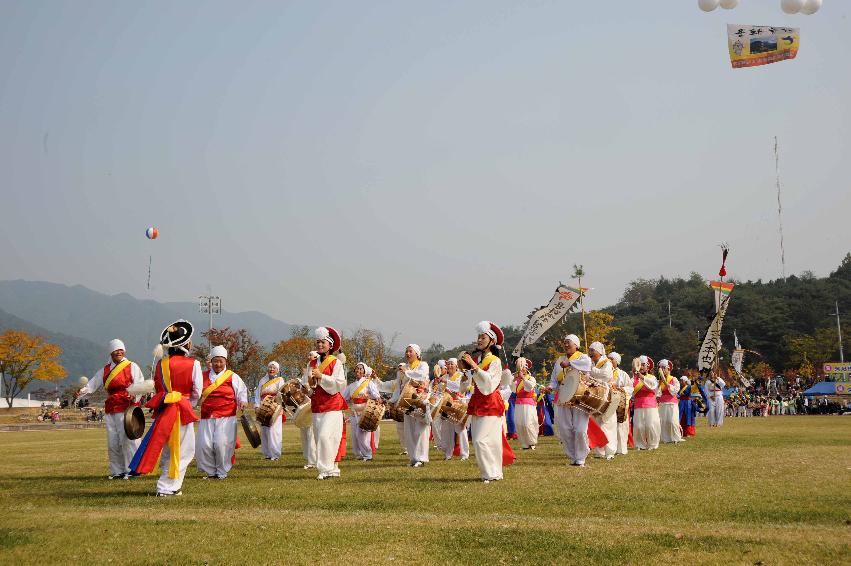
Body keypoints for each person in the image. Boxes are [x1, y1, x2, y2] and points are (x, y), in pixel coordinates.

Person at [130, 320, 202, 497]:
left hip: (164, 409)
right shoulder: (194, 364)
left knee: (167, 448)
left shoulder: (160, 365)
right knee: (184, 450)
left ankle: (168, 484)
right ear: (186, 344)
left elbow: (158, 388)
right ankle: (167, 486)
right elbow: (197, 391)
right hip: (182, 409)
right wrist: (187, 404)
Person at [79, 339, 144, 479]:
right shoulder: (105, 370)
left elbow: (140, 384)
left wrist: (135, 396)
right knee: (113, 441)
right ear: (111, 352)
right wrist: (82, 391)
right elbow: (93, 384)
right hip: (111, 407)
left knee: (128, 439)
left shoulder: (132, 366)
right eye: (116, 350)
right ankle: (118, 471)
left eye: (121, 350)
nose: (119, 352)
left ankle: (134, 470)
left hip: (127, 406)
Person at [462, 321, 506, 482]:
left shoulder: (494, 361)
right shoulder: (480, 360)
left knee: (481, 440)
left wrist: (474, 367)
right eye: (478, 337)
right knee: (488, 440)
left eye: (483, 337)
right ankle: (493, 473)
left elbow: (489, 383)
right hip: (479, 401)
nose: (479, 340)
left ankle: (491, 473)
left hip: (491, 402)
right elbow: (468, 383)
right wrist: (466, 373)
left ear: (492, 341)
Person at [196, 345, 248, 479]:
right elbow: (195, 393)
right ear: (211, 361)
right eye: (215, 361)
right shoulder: (202, 376)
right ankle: (211, 471)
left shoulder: (232, 376)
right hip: (207, 416)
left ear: (225, 361)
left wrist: (242, 401)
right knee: (204, 445)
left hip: (226, 417)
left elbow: (241, 391)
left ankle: (222, 471)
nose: (218, 364)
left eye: (221, 361)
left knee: (221, 444)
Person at [304, 326, 347, 480]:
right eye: (318, 342)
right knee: (320, 437)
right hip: (317, 405)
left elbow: (340, 384)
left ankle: (325, 469)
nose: (320, 345)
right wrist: (306, 388)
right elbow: (307, 383)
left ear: (330, 345)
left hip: (332, 405)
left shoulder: (336, 362)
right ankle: (333, 468)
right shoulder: (312, 363)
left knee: (325, 437)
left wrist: (322, 376)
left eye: (323, 342)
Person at [549, 334, 594, 466]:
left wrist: (570, 363)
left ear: (576, 345)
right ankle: (573, 456)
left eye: (569, 342)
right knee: (564, 429)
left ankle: (581, 457)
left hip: (580, 397)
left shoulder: (582, 357)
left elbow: (587, 365)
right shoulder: (559, 360)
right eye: (565, 342)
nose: (566, 344)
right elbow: (554, 379)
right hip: (563, 397)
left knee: (580, 429)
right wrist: (550, 387)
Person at [397, 344, 430, 467]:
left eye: (410, 351)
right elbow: (399, 385)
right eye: (406, 351)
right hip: (407, 402)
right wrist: (395, 399)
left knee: (420, 430)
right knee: (409, 430)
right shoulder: (404, 368)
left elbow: (421, 375)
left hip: (420, 400)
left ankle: (421, 458)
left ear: (417, 353)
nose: (408, 353)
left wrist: (407, 372)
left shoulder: (423, 365)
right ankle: (413, 458)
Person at [342, 362, 381, 461]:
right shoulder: (351, 386)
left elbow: (376, 395)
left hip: (365, 412)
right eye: (357, 368)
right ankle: (358, 454)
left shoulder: (368, 383)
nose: (358, 370)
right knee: (355, 435)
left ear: (364, 372)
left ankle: (368, 455)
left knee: (362, 434)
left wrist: (369, 397)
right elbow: (343, 397)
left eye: (361, 369)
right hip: (354, 412)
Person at [437, 357, 470, 460]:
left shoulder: (461, 376)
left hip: (458, 405)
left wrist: (446, 383)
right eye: (449, 364)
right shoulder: (444, 377)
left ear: (456, 366)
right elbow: (439, 391)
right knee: (446, 429)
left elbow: (458, 387)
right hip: (446, 406)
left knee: (460, 429)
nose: (450, 366)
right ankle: (448, 454)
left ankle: (464, 454)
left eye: (452, 364)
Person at [588, 342, 616, 460]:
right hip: (596, 394)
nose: (590, 353)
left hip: (607, 395)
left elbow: (605, 374)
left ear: (599, 351)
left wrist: (591, 369)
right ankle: (600, 451)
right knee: (597, 422)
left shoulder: (607, 362)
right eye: (590, 351)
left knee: (607, 423)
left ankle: (610, 451)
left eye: (592, 351)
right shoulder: (593, 363)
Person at [255, 361, 286, 460]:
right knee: (264, 431)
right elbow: (257, 394)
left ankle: (275, 454)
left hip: (274, 407)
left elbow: (282, 394)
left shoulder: (280, 380)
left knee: (274, 431)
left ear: (277, 370)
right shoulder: (262, 380)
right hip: (264, 407)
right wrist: (256, 406)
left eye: (274, 368)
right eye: (270, 367)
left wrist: (275, 402)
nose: (271, 369)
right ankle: (267, 454)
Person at [632, 356, 660, 451]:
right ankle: (640, 444)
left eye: (643, 365)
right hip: (638, 405)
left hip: (650, 404)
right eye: (640, 365)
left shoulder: (652, 377)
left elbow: (653, 386)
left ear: (648, 367)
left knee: (650, 425)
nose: (642, 367)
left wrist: (643, 377)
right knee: (639, 425)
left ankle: (653, 444)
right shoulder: (634, 379)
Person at [607, 352, 633, 455]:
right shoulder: (605, 372)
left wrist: (620, 389)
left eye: (611, 359)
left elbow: (630, 388)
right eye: (608, 359)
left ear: (617, 362)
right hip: (608, 402)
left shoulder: (623, 374)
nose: (609, 361)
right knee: (609, 425)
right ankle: (609, 449)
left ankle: (621, 449)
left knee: (620, 426)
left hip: (620, 402)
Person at [512, 357, 538, 450]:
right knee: (519, 423)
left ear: (527, 368)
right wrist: (514, 379)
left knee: (528, 423)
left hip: (529, 403)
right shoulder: (516, 379)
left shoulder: (531, 378)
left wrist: (523, 378)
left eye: (523, 367)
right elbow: (512, 389)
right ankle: (524, 444)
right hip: (519, 402)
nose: (522, 369)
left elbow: (530, 387)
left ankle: (532, 442)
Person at [656, 360, 682, 444]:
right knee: (663, 421)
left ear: (668, 368)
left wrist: (667, 384)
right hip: (663, 403)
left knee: (673, 421)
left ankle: (676, 438)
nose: (663, 370)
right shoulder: (659, 381)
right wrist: (660, 383)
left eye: (664, 368)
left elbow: (676, 390)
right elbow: (657, 392)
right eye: (661, 368)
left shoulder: (673, 379)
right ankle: (665, 438)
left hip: (672, 403)